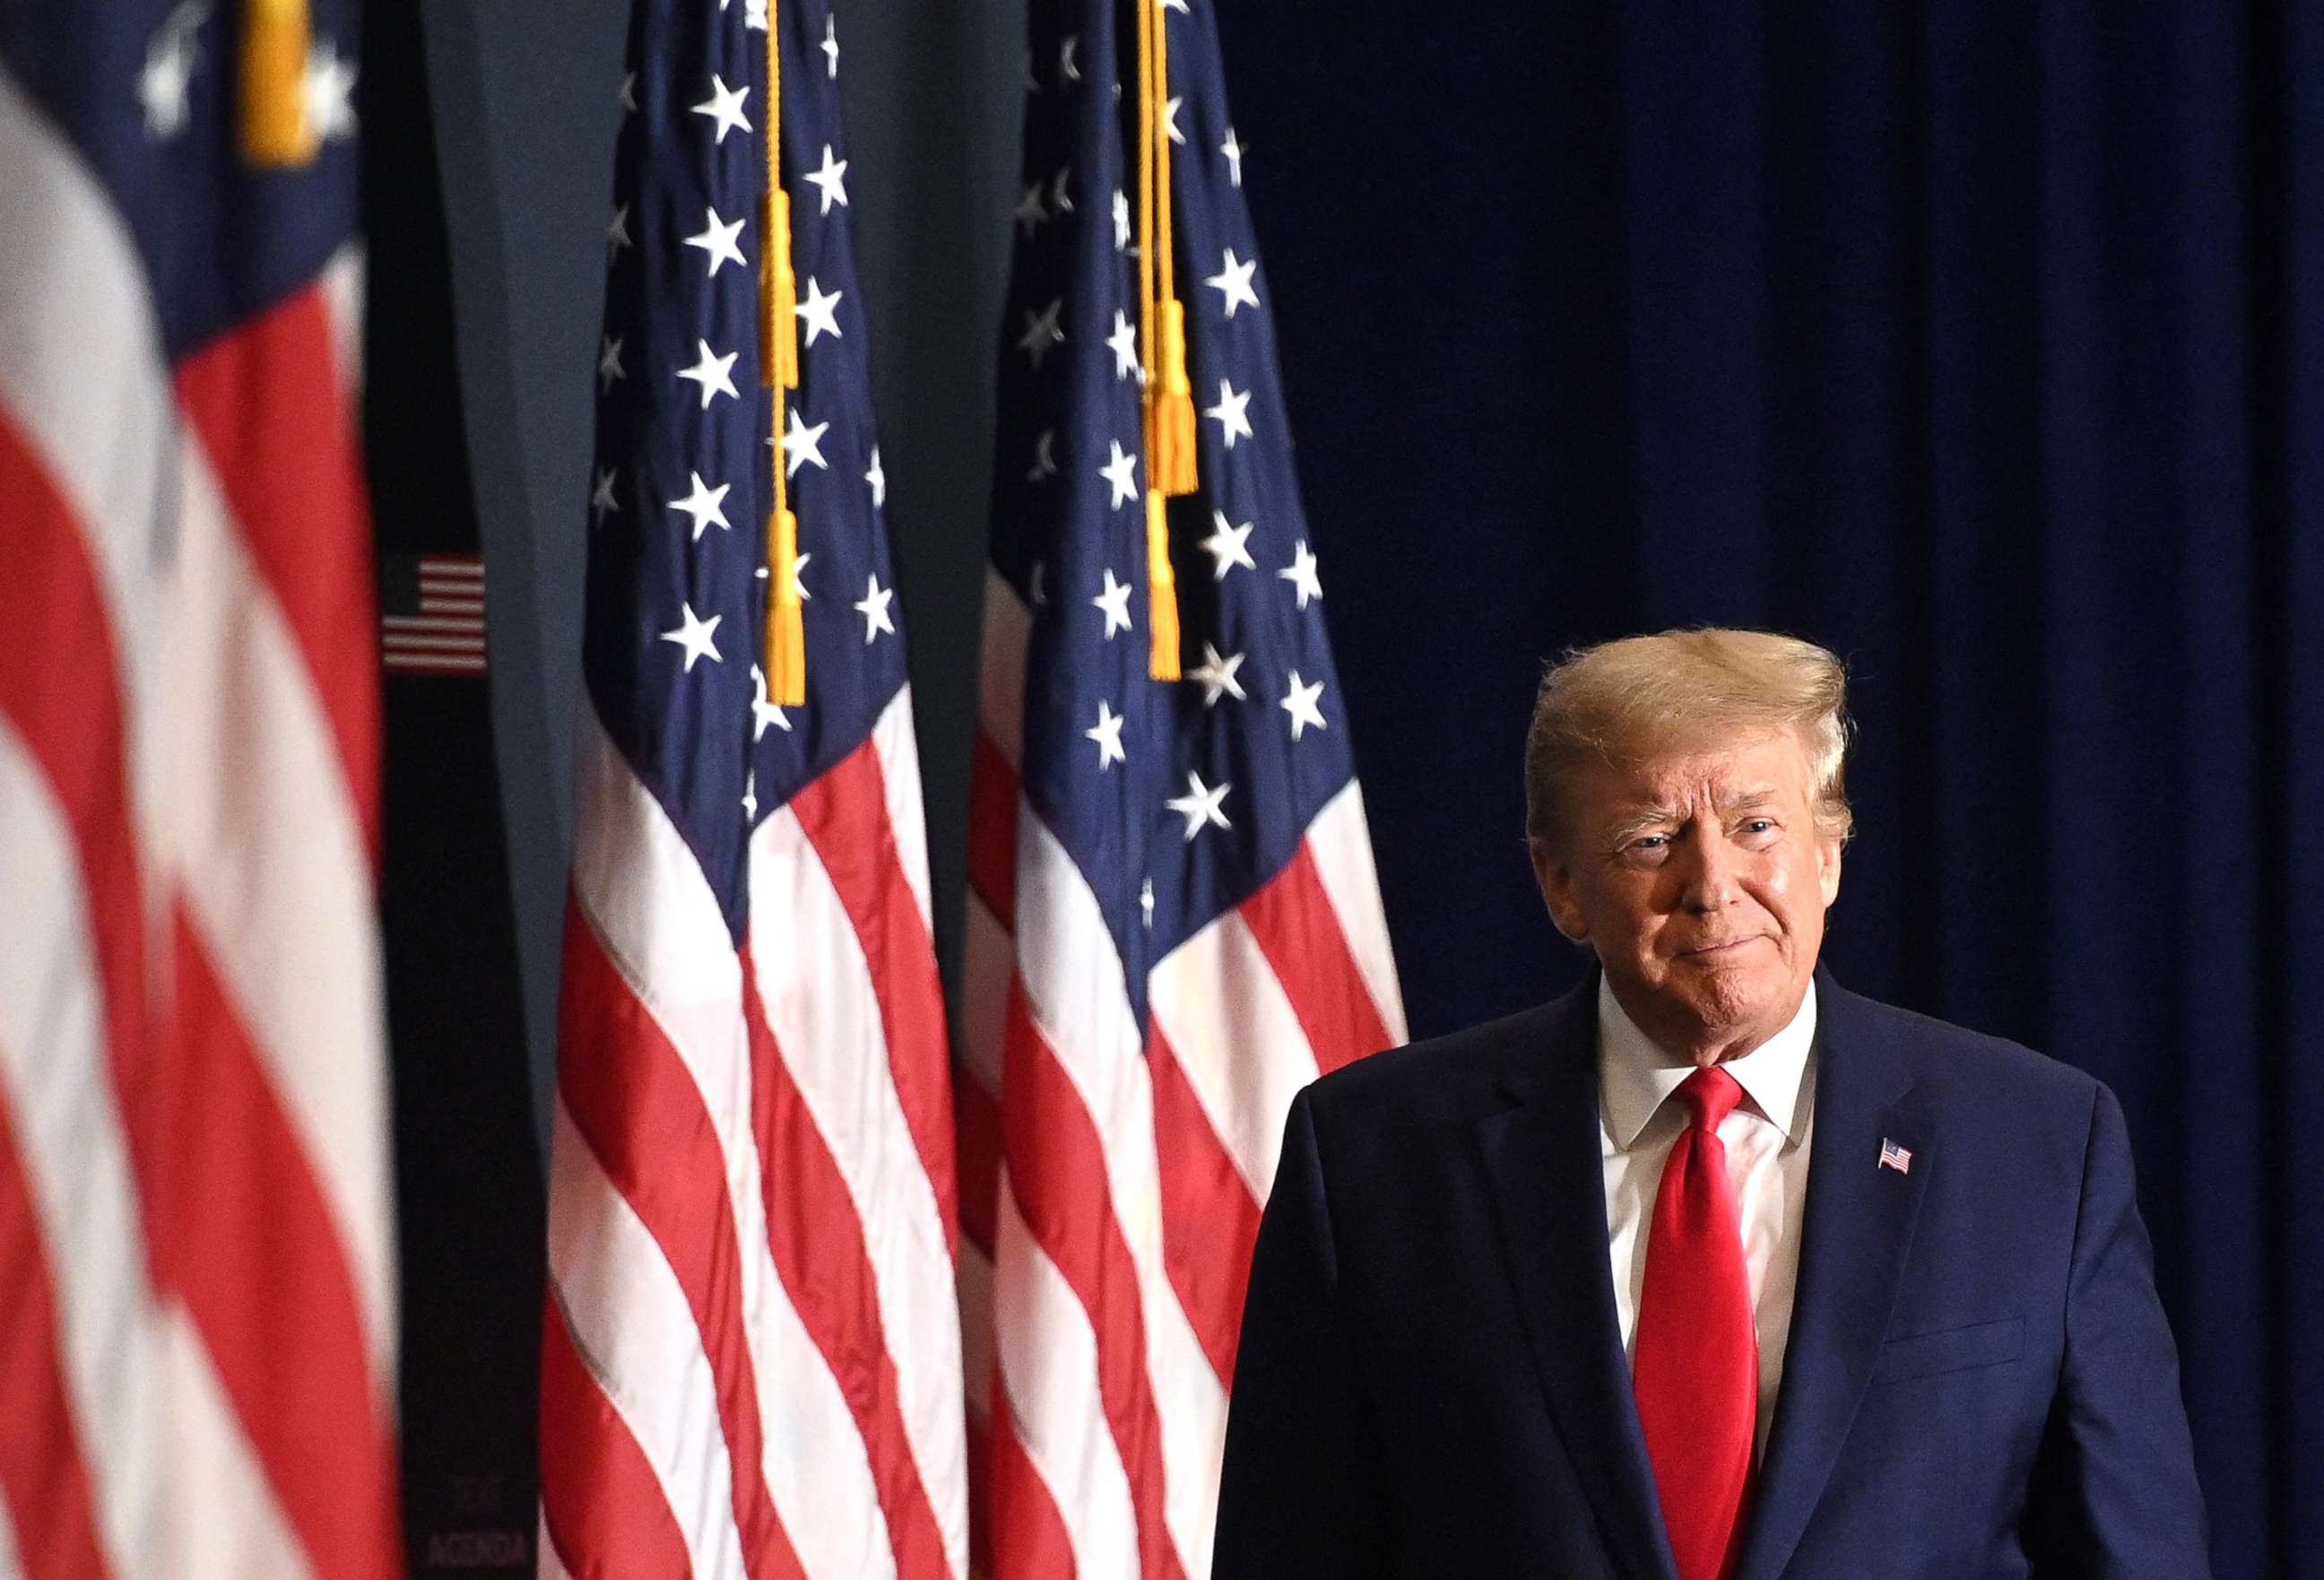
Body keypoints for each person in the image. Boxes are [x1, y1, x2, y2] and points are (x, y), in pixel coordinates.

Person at [1211, 629, 2208, 1580]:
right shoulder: (1376, 1154)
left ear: (1828, 851)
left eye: (1755, 826)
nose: (1711, 886)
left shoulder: (2035, 1144)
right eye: (1650, 839)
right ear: (1560, 886)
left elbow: (2134, 1554)